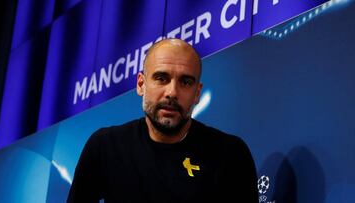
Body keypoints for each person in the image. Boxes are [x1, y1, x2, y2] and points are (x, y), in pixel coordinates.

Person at [67, 38, 258, 202]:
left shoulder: (230, 153)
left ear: (197, 93)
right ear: (141, 84)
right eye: (161, 78)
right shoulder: (105, 146)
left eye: (185, 82)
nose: (172, 92)